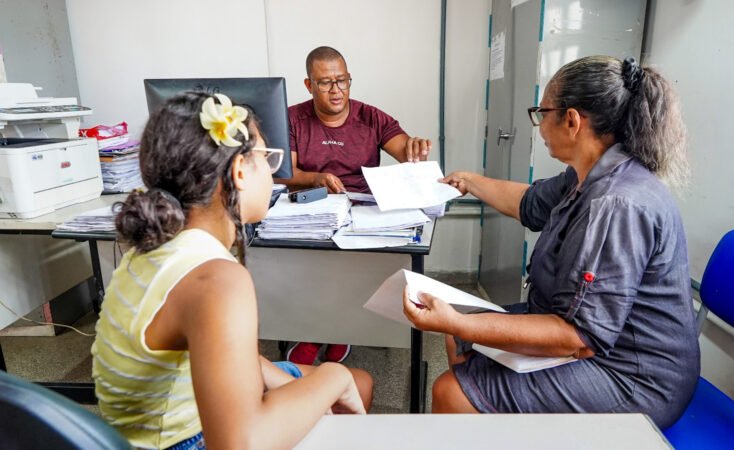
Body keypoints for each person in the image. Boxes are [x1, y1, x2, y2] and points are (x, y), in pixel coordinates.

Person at [402, 55, 699, 428]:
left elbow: (578, 338)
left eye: (542, 113)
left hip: (632, 375)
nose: (539, 124)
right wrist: (469, 181)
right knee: (457, 338)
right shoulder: (590, 172)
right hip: (587, 338)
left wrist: (457, 322)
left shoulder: (616, 204)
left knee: (451, 390)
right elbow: (530, 203)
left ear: (572, 120)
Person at [91, 91, 373, 450]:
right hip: (183, 441)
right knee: (345, 382)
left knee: (358, 383)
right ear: (240, 171)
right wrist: (333, 376)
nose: (272, 173)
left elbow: (218, 348)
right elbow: (240, 444)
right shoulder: (217, 279)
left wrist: (299, 386)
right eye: (267, 159)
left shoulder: (157, 246)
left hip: (144, 430)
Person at [276, 46, 432, 365]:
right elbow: (285, 173)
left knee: (353, 265)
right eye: (325, 82)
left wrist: (414, 148)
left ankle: (336, 331)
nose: (336, 90)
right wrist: (316, 178)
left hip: (362, 211)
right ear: (309, 85)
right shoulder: (292, 118)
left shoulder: (370, 117)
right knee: (309, 265)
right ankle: (318, 331)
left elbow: (405, 150)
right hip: (314, 207)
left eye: (342, 80)